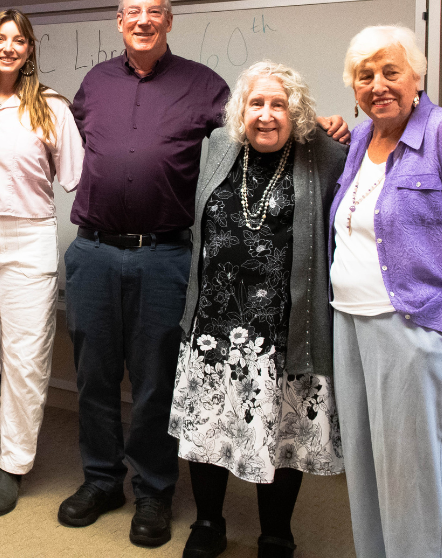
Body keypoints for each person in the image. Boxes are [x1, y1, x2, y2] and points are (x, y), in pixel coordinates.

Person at [58, 0, 349, 548]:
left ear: (169, 20)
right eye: (132, 12)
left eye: (154, 12)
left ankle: (153, 489)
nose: (143, 21)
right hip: (91, 250)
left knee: (155, 382)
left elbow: (261, 128)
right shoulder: (93, 82)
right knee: (92, 375)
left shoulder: (206, 86)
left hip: (163, 253)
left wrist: (325, 130)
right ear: (119, 22)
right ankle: (100, 480)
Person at [329, 25, 442, 558]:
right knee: (367, 473)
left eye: (391, 71)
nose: (378, 84)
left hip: (416, 328)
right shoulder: (363, 139)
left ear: (418, 75)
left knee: (420, 479)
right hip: (352, 325)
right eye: (365, 76)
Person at [169, 62, 347, 558]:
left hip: (284, 330)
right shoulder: (216, 150)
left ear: (298, 112)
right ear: (239, 110)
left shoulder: (326, 156)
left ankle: (276, 532)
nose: (266, 115)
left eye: (279, 104)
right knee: (206, 429)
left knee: (284, 434)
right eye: (256, 103)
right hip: (214, 327)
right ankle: (208, 523)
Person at [0, 8, 83, 517]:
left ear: (29, 50)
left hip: (29, 239)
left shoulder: (52, 109)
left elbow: (74, 176)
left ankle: (13, 465)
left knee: (24, 362)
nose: (7, 47)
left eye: (17, 40)